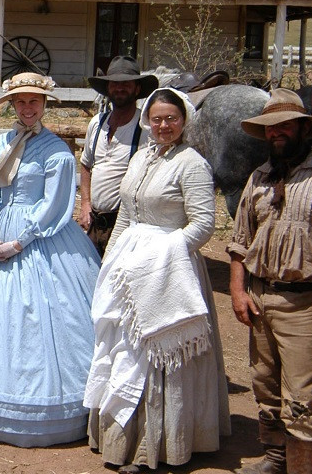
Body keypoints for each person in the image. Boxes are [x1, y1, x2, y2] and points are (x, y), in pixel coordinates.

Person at [0, 72, 101, 446]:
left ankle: (51, 409)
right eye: (20, 102)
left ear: (45, 104)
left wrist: (19, 242)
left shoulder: (58, 152)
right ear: (12, 106)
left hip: (41, 238)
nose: (27, 108)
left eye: (34, 101)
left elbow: (56, 206)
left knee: (46, 317)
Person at [84, 87, 230, 473]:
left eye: (172, 118)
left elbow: (203, 225)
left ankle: (159, 445)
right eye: (157, 118)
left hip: (170, 268)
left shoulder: (192, 163)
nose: (163, 125)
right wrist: (110, 265)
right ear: (147, 120)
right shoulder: (141, 158)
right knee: (124, 350)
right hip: (131, 265)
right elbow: (126, 218)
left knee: (159, 354)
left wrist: (161, 254)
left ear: (185, 121)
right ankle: (121, 440)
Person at [228, 88, 312, 474]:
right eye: (270, 128)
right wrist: (237, 292)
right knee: (264, 384)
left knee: (301, 395)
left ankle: (302, 468)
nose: (276, 133)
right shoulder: (259, 179)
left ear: (302, 128)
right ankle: (276, 459)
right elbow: (238, 244)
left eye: (284, 126)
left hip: (305, 303)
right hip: (260, 298)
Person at [79, 56, 156, 255]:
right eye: (114, 84)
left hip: (126, 223)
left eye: (126, 84)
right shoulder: (97, 123)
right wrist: (85, 203)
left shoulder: (145, 127)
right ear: (108, 89)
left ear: (137, 89)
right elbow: (86, 165)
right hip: (94, 221)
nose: (119, 89)